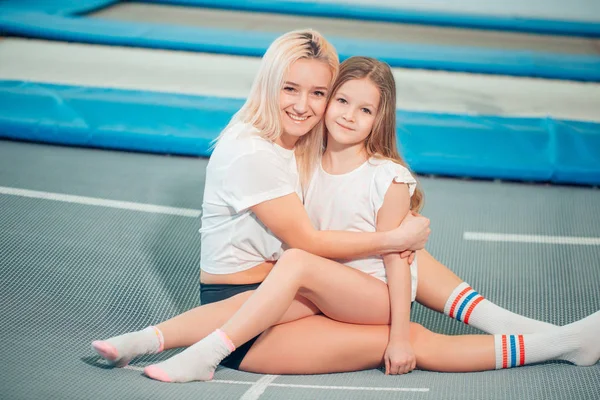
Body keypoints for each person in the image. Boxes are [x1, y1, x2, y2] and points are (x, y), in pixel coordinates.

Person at [92, 38, 600, 380]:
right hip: (272, 298)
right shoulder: (259, 151)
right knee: (381, 285)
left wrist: (395, 249)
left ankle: (547, 337)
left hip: (300, 286)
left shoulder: (324, 152)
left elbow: (364, 248)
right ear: (269, 85)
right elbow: (313, 246)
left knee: (400, 289)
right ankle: (157, 340)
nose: (307, 105)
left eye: (319, 93)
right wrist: (392, 242)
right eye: (294, 90)